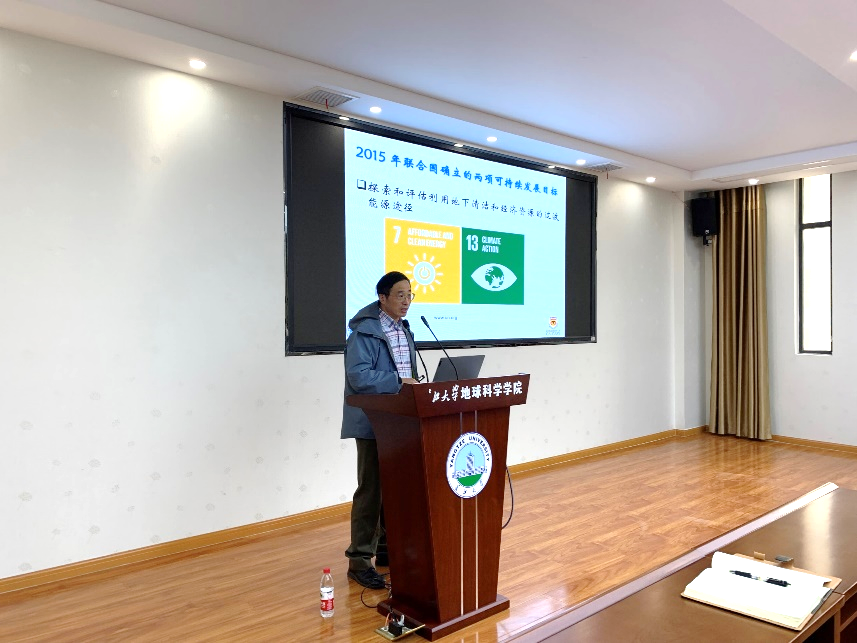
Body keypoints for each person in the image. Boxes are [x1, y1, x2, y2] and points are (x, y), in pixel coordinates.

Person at [342, 271, 418, 589]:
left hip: (400, 420)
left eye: (409, 295)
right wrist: (399, 382)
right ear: (382, 297)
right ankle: (359, 561)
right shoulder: (364, 333)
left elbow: (408, 374)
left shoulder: (404, 329)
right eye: (400, 295)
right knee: (371, 491)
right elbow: (359, 377)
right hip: (373, 421)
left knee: (394, 487)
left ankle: (386, 549)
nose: (406, 301)